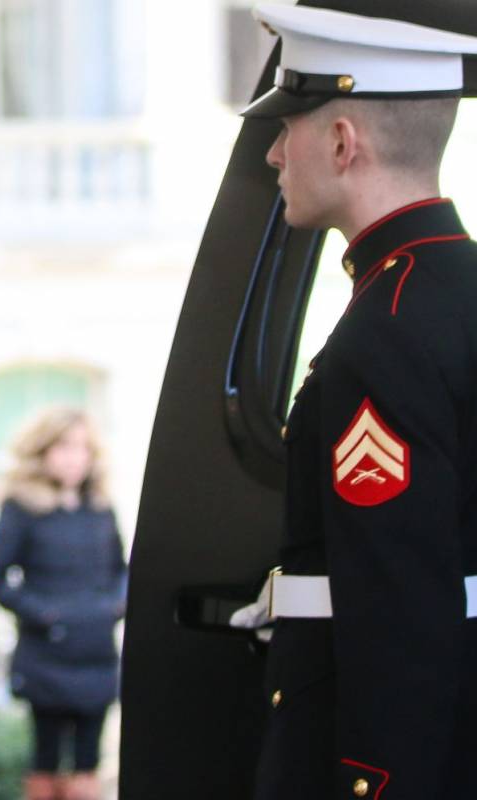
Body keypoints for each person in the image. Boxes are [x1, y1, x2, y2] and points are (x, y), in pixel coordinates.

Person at [231, 6, 477, 799]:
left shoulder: (387, 331)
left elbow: (399, 613)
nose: (272, 153)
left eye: (288, 126)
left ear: (342, 142)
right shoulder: (449, 295)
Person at [0, 408, 127, 800]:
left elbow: (121, 569)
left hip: (97, 654)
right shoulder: (22, 508)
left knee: (88, 765)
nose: (75, 457)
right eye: (64, 447)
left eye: (83, 448)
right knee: (45, 761)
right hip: (46, 659)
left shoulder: (101, 508)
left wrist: (114, 607)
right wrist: (46, 614)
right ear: (43, 451)